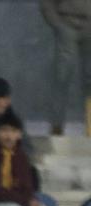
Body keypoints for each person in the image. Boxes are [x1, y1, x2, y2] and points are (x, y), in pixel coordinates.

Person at [41, 0, 91, 134]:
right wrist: (58, 25)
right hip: (67, 23)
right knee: (62, 76)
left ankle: (90, 126)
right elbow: (46, 3)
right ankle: (57, 125)